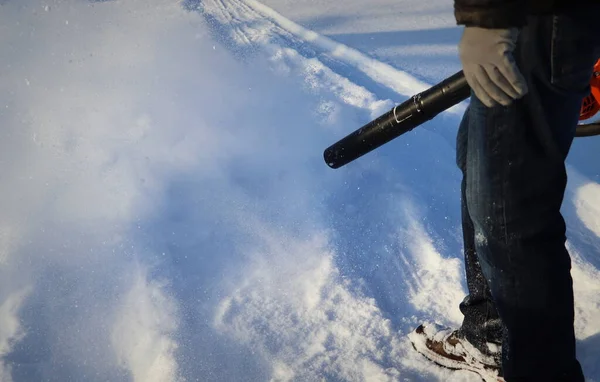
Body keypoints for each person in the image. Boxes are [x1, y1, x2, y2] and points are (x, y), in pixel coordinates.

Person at [409, 0, 600, 381]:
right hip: (543, 22)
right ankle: (492, 333)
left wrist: (488, 18)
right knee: (478, 156)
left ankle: (538, 368)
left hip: (535, 19)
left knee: (509, 211)